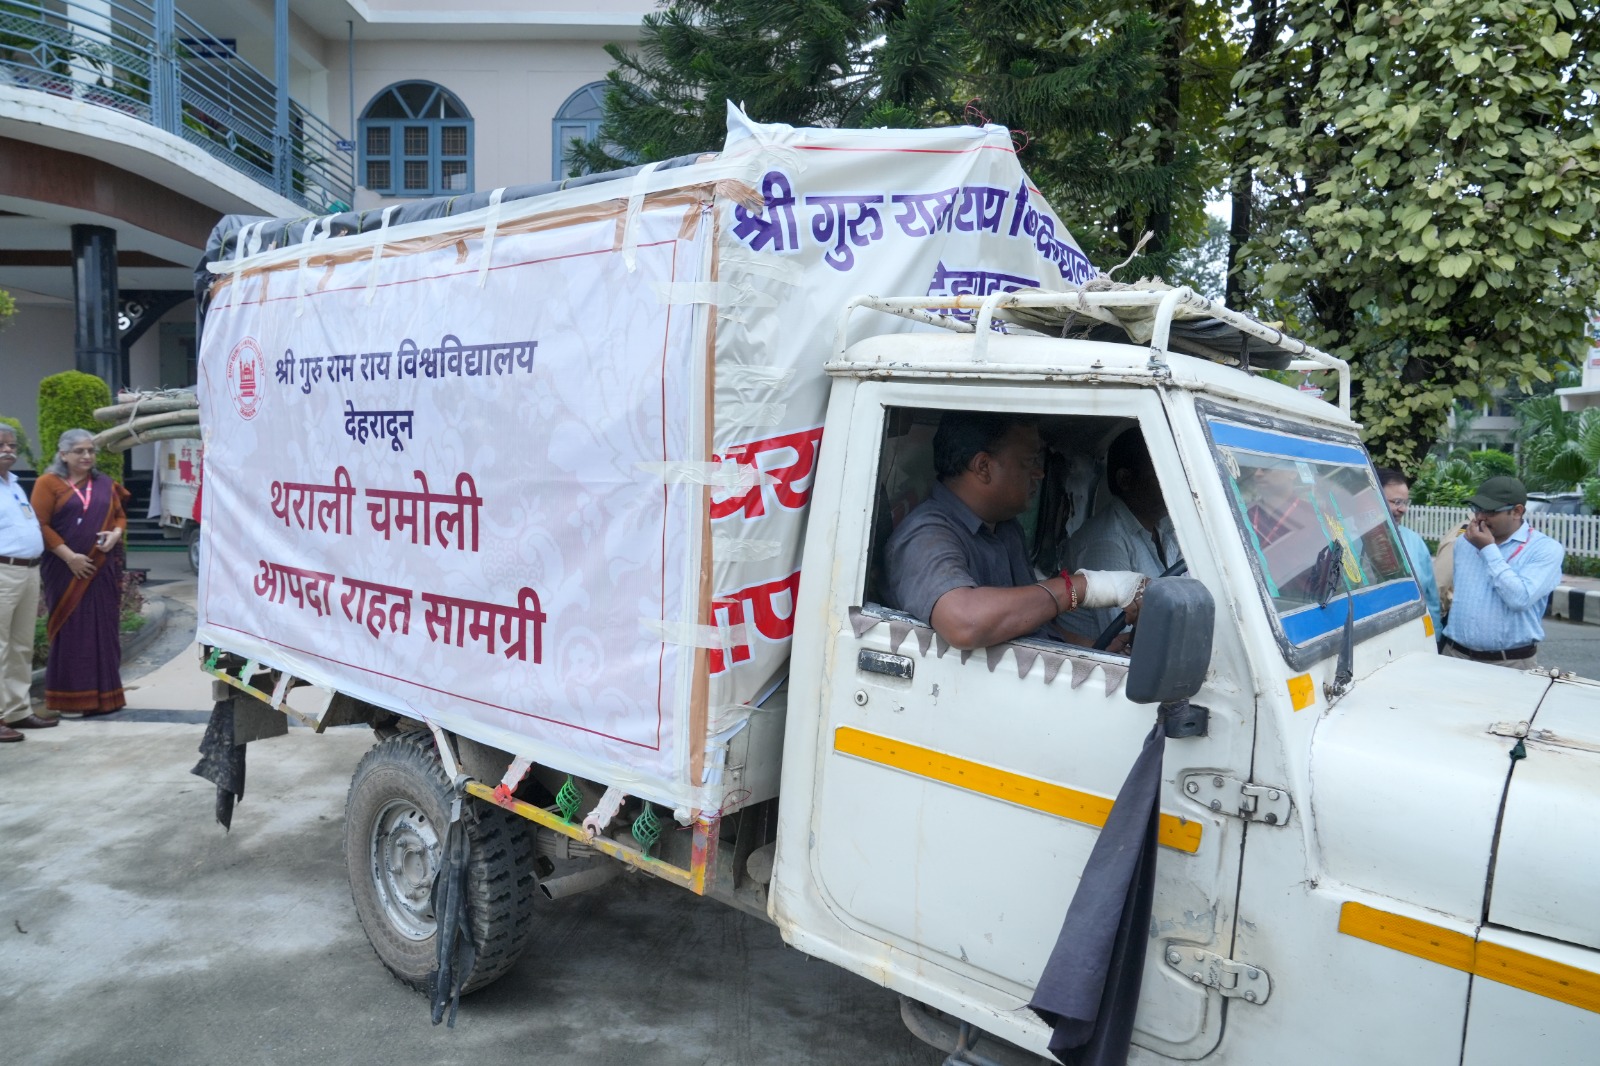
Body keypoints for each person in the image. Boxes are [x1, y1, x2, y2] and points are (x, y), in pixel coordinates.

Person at [884, 412, 1144, 651]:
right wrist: (1082, 587)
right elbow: (964, 624)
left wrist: (1094, 648)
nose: (1039, 473)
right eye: (1028, 461)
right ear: (983, 467)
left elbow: (1030, 626)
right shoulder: (925, 535)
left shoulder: (1005, 528)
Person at [32, 429, 130, 715]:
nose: (87, 456)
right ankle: (70, 701)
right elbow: (40, 525)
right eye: (79, 451)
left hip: (100, 569)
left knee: (103, 629)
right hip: (65, 572)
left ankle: (107, 699)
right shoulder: (48, 483)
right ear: (63, 455)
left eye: (91, 451)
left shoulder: (104, 484)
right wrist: (70, 558)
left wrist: (115, 534)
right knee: (72, 631)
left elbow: (120, 516)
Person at [1058, 429, 1176, 644]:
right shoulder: (1106, 542)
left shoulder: (1165, 529)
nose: (1173, 484)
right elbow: (1130, 633)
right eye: (1160, 476)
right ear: (1125, 480)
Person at [1440, 476, 1564, 671]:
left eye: (1490, 511)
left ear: (1517, 511)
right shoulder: (1465, 542)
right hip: (1455, 654)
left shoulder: (1545, 549)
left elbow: (1519, 599)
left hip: (1510, 662)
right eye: (1477, 509)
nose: (1480, 517)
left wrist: (1488, 549)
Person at [0, 424, 54, 743]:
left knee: (21, 645)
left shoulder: (15, 485)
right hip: (3, 572)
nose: (8, 450)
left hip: (29, 571)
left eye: (12, 445)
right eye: (1, 445)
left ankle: (18, 709)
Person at [1376, 467, 1441, 628]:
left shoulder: (1415, 541)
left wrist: (1435, 632)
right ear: (1374, 498)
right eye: (1397, 502)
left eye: (1405, 503)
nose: (1403, 509)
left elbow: (1430, 596)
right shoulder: (1351, 539)